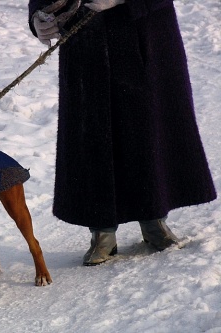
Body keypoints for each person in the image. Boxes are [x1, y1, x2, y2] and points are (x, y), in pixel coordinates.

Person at [27, 0, 217, 265]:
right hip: (85, 42)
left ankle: (154, 218)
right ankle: (101, 230)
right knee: (92, 131)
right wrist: (39, 13)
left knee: (147, 128)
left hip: (144, 34)